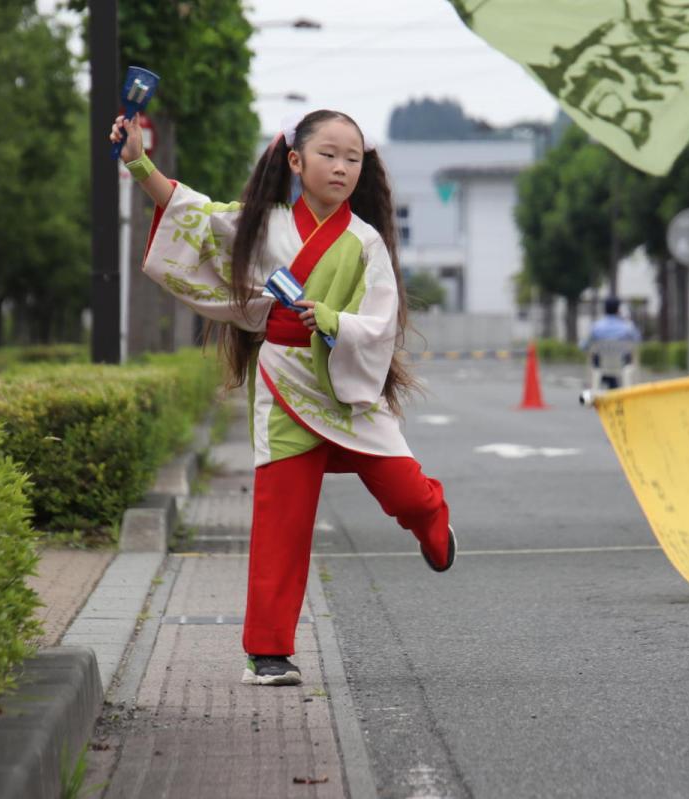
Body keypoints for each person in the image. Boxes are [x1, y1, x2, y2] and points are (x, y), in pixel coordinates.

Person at [110, 109, 457, 687]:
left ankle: (432, 518)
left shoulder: (366, 241)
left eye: (353, 158)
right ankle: (267, 653)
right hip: (283, 384)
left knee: (408, 495)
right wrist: (140, 162)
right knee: (281, 523)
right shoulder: (262, 224)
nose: (342, 167)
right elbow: (191, 212)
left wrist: (331, 320)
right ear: (295, 161)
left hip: (345, 384)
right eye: (329, 154)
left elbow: (379, 322)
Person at [584, 296, 642, 389]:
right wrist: (627, 319)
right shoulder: (627, 327)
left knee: (595, 358)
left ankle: (606, 381)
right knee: (629, 356)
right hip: (622, 365)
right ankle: (614, 384)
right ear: (618, 310)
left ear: (604, 309)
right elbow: (637, 340)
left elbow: (584, 346)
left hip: (601, 365)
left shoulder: (596, 327)